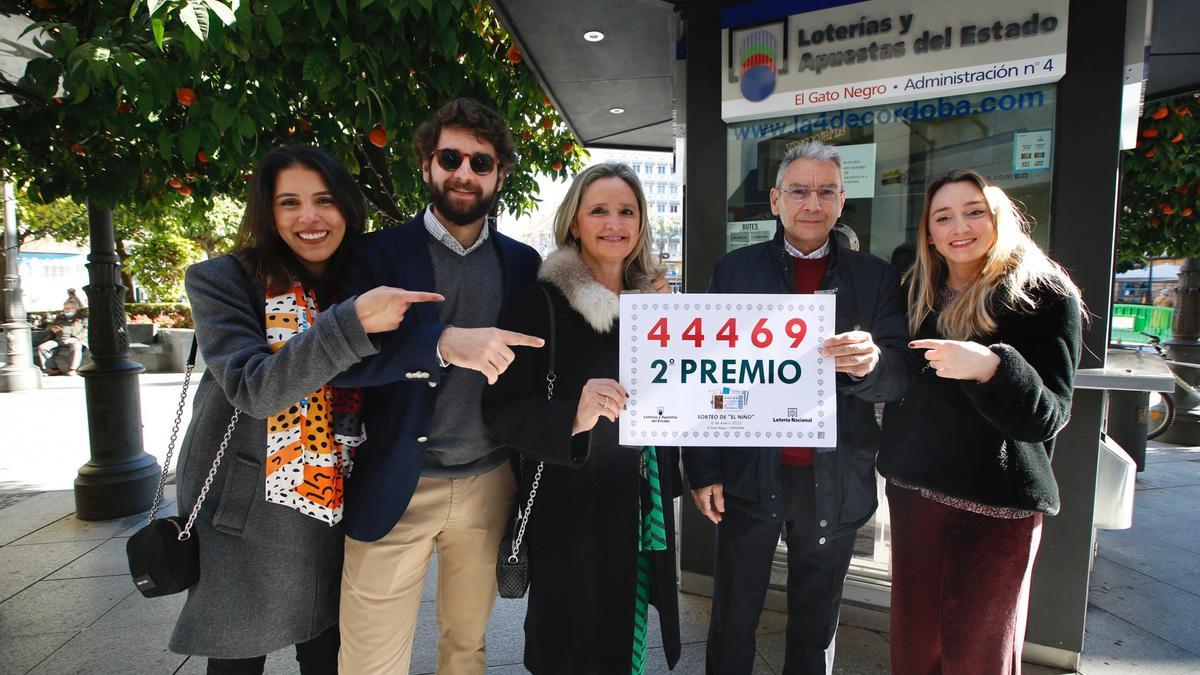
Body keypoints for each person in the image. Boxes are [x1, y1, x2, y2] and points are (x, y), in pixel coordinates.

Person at [169, 145, 440, 674]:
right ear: (268, 214)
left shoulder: (360, 279)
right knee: (236, 660)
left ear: (347, 208)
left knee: (325, 656)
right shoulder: (224, 281)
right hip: (245, 515)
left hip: (337, 507)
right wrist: (352, 323)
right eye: (288, 203)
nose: (309, 218)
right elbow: (255, 389)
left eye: (324, 201)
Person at [682, 140, 913, 675]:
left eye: (826, 191)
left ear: (841, 200)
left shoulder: (875, 278)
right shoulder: (735, 272)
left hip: (835, 476)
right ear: (775, 200)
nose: (813, 203)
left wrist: (870, 365)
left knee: (816, 623)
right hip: (748, 474)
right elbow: (702, 374)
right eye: (800, 190)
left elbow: (900, 378)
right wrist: (703, 467)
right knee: (734, 616)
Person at [333, 98, 544, 674]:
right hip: (396, 480)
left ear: (500, 174)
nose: (465, 173)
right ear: (426, 164)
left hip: (487, 484)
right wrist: (441, 343)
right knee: (369, 660)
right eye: (451, 157)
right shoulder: (375, 255)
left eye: (482, 162)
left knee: (466, 651)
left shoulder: (523, 264)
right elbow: (339, 362)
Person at [879, 169, 1083, 674]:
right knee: (914, 645)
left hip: (996, 507)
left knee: (980, 656)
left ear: (999, 218)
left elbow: (1049, 415)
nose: (959, 226)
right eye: (943, 216)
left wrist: (993, 368)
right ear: (928, 232)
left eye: (974, 211)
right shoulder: (916, 290)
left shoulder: (1043, 294)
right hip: (915, 495)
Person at [483, 163, 681, 674]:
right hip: (564, 509)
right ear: (574, 222)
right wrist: (574, 414)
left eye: (626, 211)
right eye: (599, 210)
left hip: (637, 501)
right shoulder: (538, 305)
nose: (614, 223)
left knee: (623, 641)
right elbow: (500, 412)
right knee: (564, 646)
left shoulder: (660, 308)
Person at [35, 298, 86, 375]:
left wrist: (75, 338)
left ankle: (72, 369)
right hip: (58, 339)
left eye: (69, 308)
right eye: (65, 308)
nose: (66, 310)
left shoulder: (82, 318)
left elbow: (86, 330)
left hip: (74, 339)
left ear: (75, 308)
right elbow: (50, 326)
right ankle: (54, 369)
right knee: (42, 347)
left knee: (76, 346)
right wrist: (52, 328)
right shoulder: (60, 317)